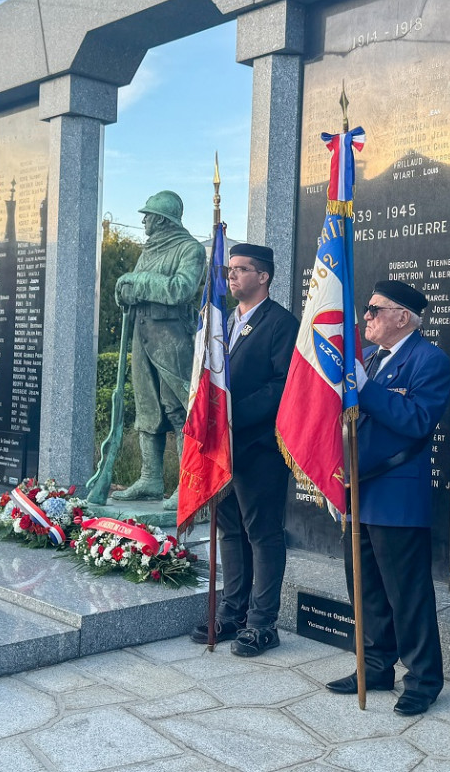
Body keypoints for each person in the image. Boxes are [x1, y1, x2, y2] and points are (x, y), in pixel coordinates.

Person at [326, 280, 450, 717]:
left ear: (403, 316)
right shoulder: (368, 359)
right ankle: (375, 665)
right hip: (357, 488)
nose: (366, 318)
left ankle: (422, 679)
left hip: (396, 492)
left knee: (407, 593)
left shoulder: (429, 360)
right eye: (367, 310)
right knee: (366, 587)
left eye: (374, 310)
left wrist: (367, 388)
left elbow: (416, 420)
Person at [188, 243, 299, 656]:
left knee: (263, 533)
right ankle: (233, 613)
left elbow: (281, 385)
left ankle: (262, 622)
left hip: (258, 447)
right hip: (223, 451)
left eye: (241, 269)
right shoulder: (221, 322)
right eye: (229, 269)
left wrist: (230, 415)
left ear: (263, 276)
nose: (231, 276)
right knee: (230, 529)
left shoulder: (280, 324)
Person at [110, 190, 206, 511]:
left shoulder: (189, 249)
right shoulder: (149, 249)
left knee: (180, 409)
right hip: (143, 336)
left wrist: (136, 281)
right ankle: (150, 478)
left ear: (162, 221)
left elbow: (181, 288)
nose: (143, 220)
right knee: (147, 408)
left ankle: (188, 481)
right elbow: (132, 289)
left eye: (148, 215)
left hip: (173, 339)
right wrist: (125, 291)